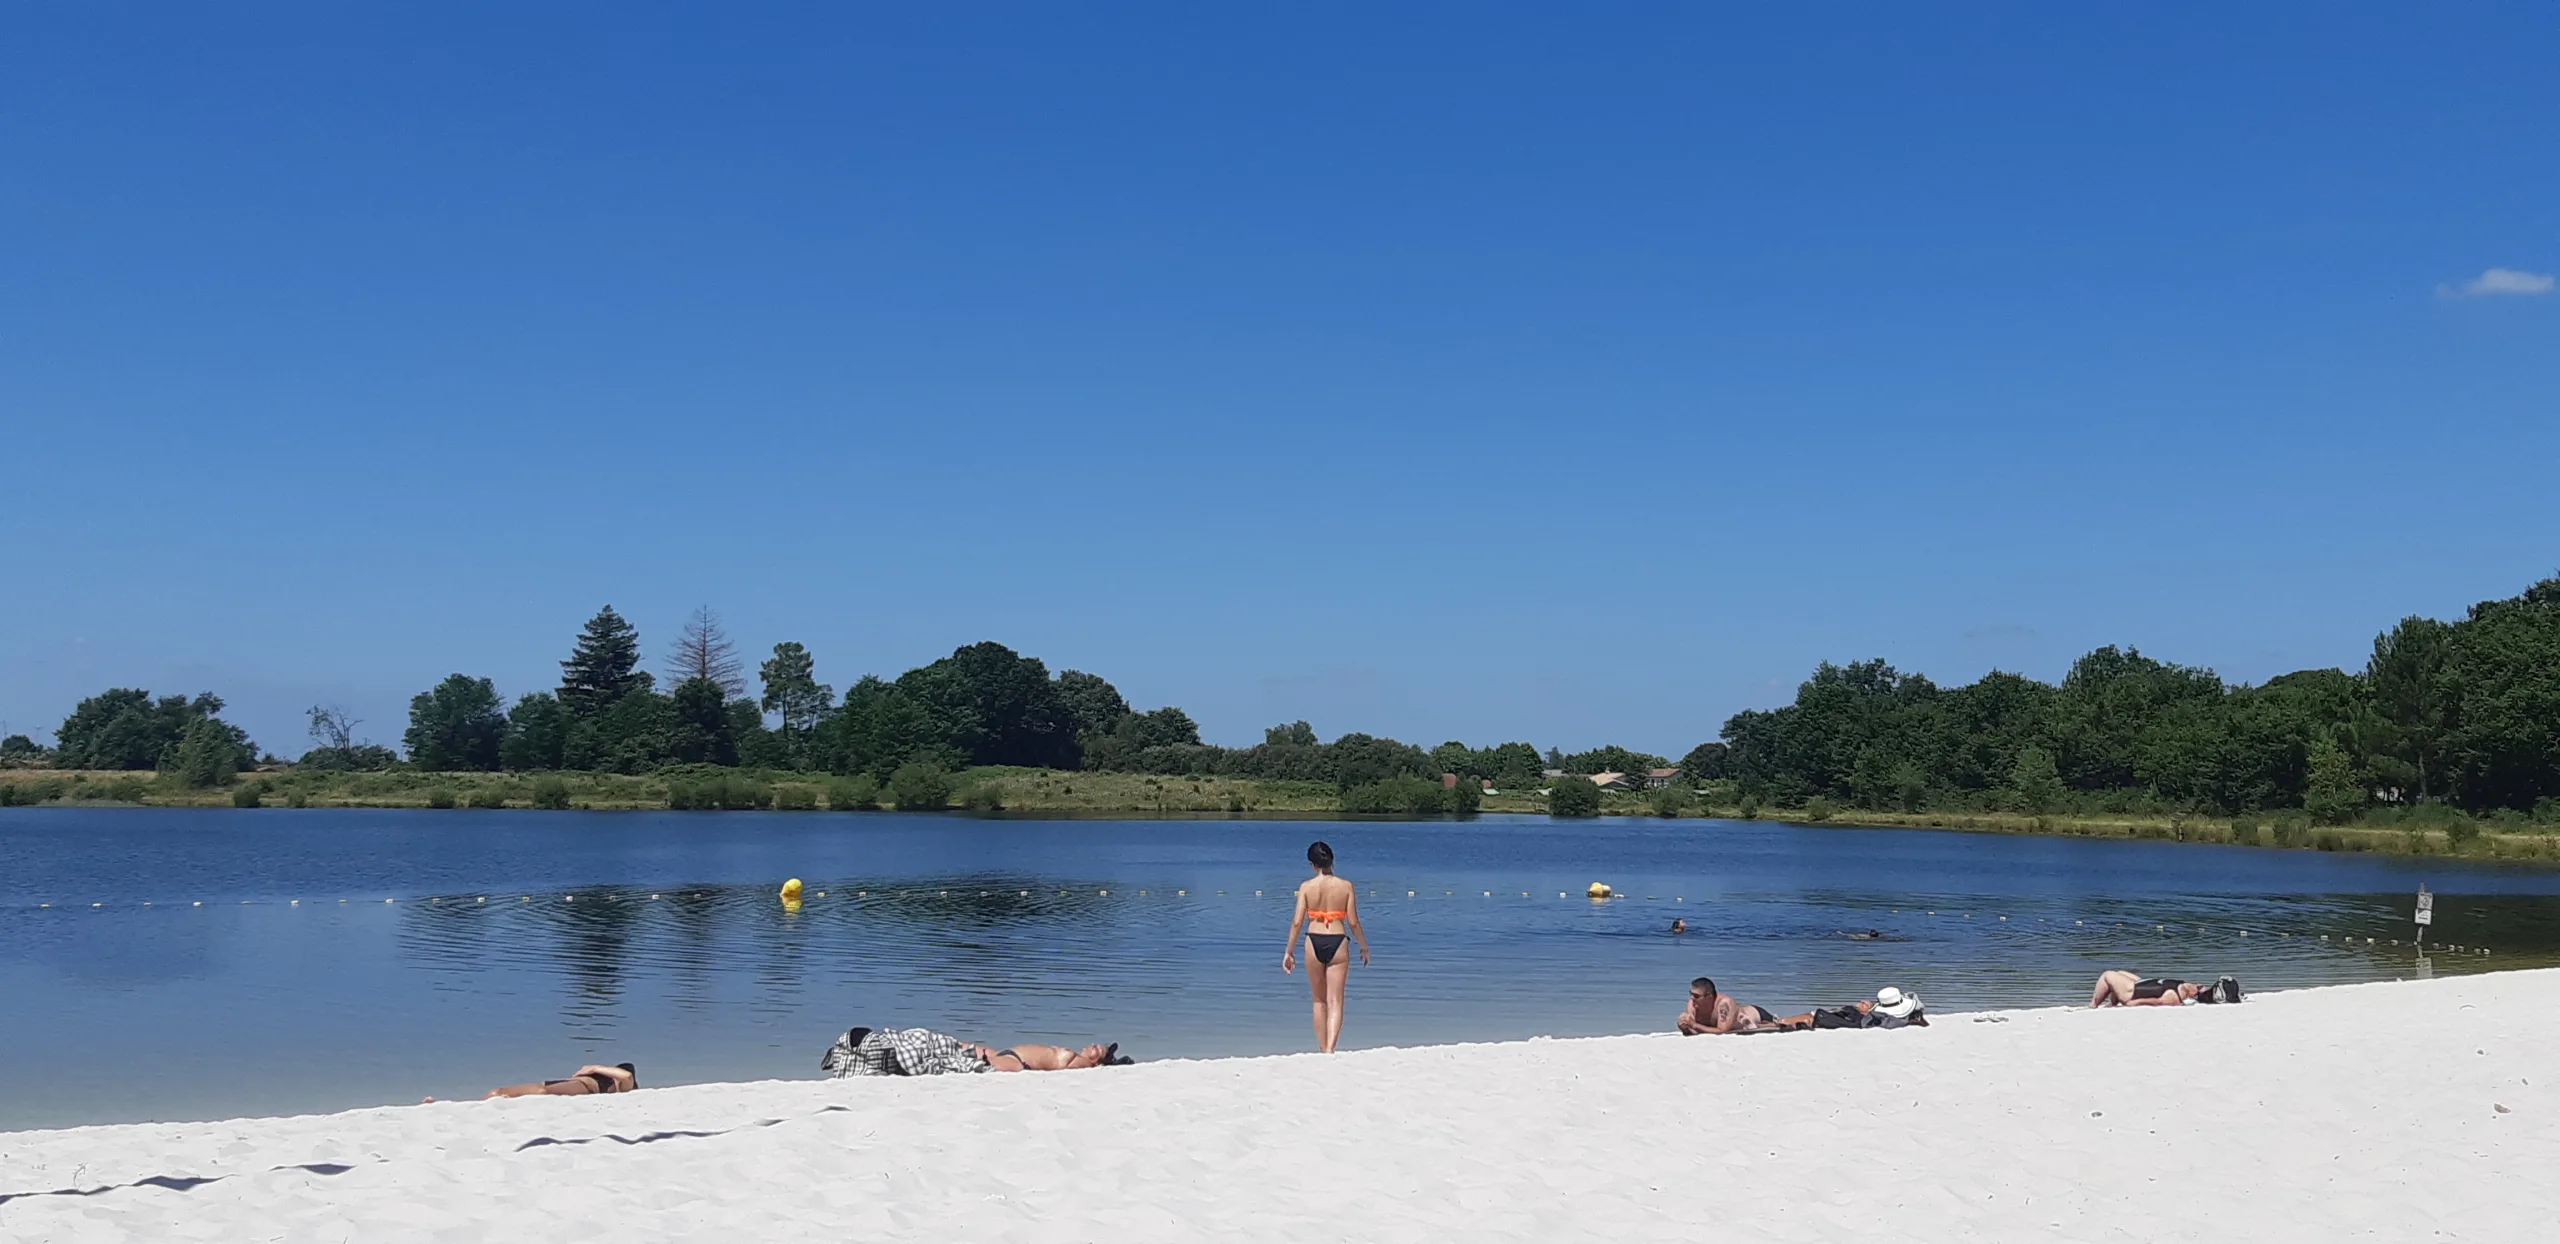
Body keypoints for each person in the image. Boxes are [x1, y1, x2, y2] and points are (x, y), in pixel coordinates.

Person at [1282, 840, 1370, 1053]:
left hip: (1313, 940)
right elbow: (1353, 922)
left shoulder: (1306, 887)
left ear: (1312, 864)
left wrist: (1289, 951)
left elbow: (1296, 922)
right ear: (1332, 860)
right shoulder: (1346, 886)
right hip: (1338, 940)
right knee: (1336, 1000)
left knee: (1318, 1000)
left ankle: (1323, 1049)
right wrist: (1364, 946)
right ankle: (1331, 1048)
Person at [820, 1026, 1132, 1077]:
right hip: (1000, 1054)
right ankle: (856, 1047)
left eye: (1098, 1050)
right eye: (1096, 1044)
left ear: (1098, 1063)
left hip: (1008, 1064)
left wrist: (1109, 1064)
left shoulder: (1080, 1068)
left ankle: (866, 1054)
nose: (1093, 1046)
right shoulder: (1077, 1058)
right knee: (924, 1038)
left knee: (928, 1059)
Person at [1677, 976, 1788, 1035]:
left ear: (1709, 996)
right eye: (1691, 994)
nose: (1692, 999)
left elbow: (1722, 1031)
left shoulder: (1724, 1004)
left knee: (1783, 1023)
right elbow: (1693, 1030)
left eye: (1697, 996)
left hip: (1756, 1014)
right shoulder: (1692, 1004)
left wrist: (1694, 1025)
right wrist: (1685, 1027)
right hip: (1742, 1023)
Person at [2087, 970, 2243, 1007]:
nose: (2199, 985)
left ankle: (2092, 1006)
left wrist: (2129, 1004)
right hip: (2142, 985)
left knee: (2107, 975)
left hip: (2131, 993)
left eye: (2201, 987)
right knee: (2120, 973)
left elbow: (2155, 1001)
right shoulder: (2186, 989)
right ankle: (2111, 1003)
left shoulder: (2175, 996)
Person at [483, 1063, 637, 1098]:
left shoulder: (625, 1086)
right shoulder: (614, 1081)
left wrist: (595, 1068)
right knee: (541, 1088)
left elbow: (627, 1075)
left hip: (583, 1087)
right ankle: (497, 1094)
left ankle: (497, 1094)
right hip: (577, 1084)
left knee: (542, 1090)